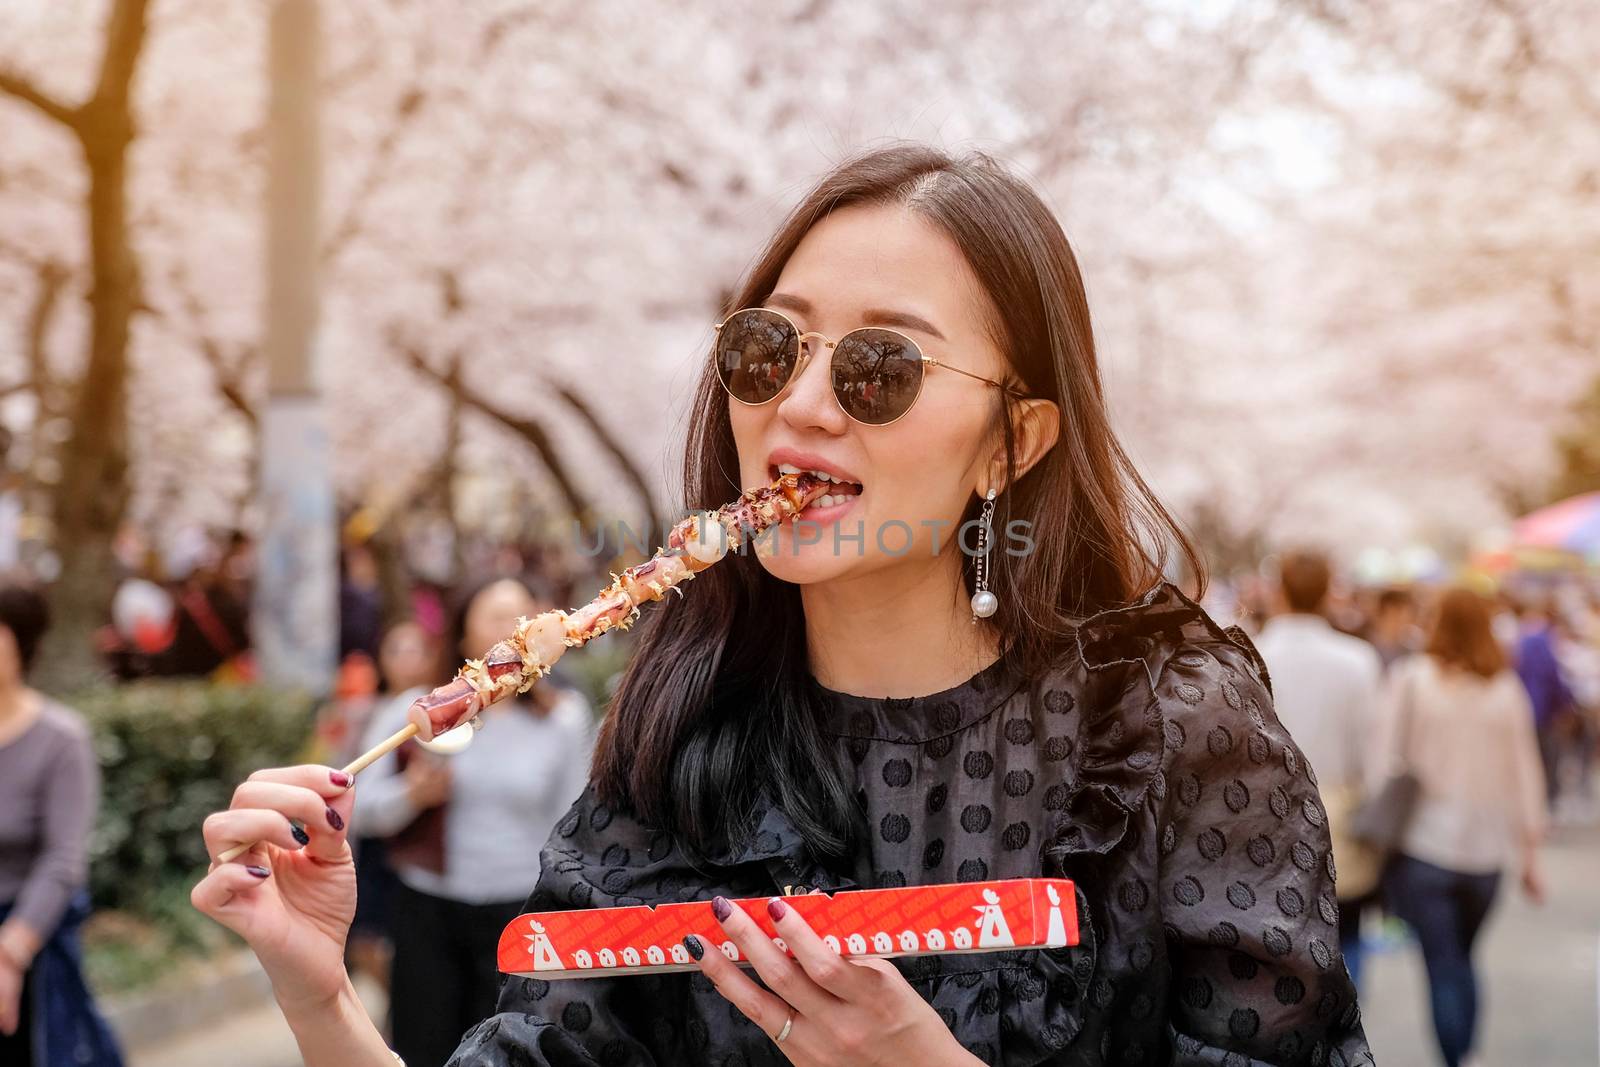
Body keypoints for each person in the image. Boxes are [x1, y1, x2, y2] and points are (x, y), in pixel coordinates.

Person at [192, 144, 1370, 1066]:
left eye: (879, 368)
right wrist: (319, 990)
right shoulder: (680, 736)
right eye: (770, 349)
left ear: (1014, 440)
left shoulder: (1167, 728)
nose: (802, 403)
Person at [351, 578, 595, 1067]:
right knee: (424, 1044)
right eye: (497, 618)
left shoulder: (564, 717)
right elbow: (361, 809)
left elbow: (574, 825)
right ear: (463, 636)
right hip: (428, 910)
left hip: (518, 916)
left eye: (524, 619)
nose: (514, 632)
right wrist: (412, 796)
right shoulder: (417, 712)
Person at [1376, 587, 1547, 1067]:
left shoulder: (1412, 680)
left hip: (1423, 848)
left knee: (1443, 964)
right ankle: (1467, 1052)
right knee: (1463, 958)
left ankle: (1458, 1058)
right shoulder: (1506, 691)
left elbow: (1384, 758)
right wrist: (1530, 853)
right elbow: (1527, 774)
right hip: (1487, 857)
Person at [0, 585, 125, 1067]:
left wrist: (10, 952)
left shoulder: (60, 739)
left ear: (21, 642)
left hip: (30, 942)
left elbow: (63, 859)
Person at [1253, 551, 1383, 990]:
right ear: (1330, 593)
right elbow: (1370, 754)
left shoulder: (1250, 653)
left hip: (1263, 820)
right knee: (1346, 937)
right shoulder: (1357, 660)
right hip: (1339, 816)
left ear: (1279, 590)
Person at [1512, 595, 1574, 806]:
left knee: (1531, 758)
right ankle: (1544, 801)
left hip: (1526, 707)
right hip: (1542, 710)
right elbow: (1553, 677)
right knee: (1545, 759)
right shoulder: (1542, 641)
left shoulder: (1524, 639)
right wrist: (1565, 704)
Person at [1364, 587, 1417, 674]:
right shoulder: (1364, 645)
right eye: (1394, 615)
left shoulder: (1412, 651)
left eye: (1404, 616)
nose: (1399, 622)